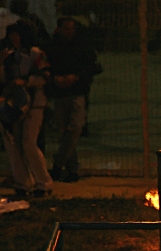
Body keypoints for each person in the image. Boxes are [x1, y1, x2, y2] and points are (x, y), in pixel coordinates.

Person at [0, 19, 52, 197]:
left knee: (29, 143)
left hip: (35, 104)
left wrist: (26, 82)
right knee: (16, 146)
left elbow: (45, 76)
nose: (13, 38)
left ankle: (43, 182)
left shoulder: (35, 54)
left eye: (16, 34)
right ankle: (23, 182)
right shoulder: (10, 56)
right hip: (16, 105)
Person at [45, 16, 100, 183]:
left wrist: (75, 77)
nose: (70, 32)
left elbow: (92, 66)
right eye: (66, 29)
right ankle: (71, 169)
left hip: (77, 92)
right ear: (59, 29)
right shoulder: (53, 46)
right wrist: (56, 78)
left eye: (71, 29)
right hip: (60, 94)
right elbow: (47, 65)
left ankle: (58, 165)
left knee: (75, 128)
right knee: (65, 132)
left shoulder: (81, 45)